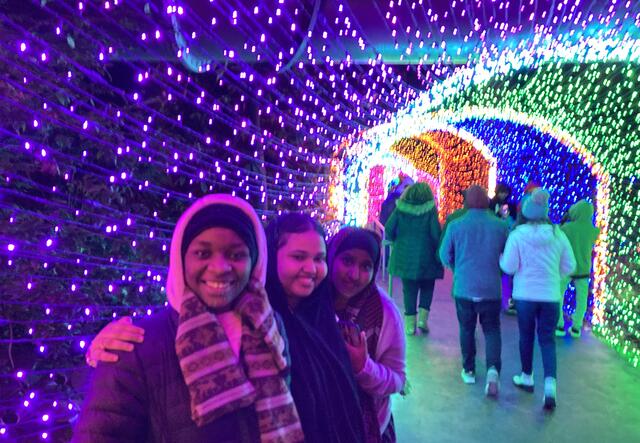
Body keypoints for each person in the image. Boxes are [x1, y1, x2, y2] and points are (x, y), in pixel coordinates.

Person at [74, 194, 303, 442]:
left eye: (236, 255)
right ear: (181, 259)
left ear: (255, 262)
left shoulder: (268, 326)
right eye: (203, 254)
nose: (220, 267)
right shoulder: (135, 344)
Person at [264, 213, 366, 443]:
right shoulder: (261, 327)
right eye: (298, 257)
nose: (311, 269)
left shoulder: (323, 319)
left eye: (319, 259)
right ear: (271, 258)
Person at [500, 188, 576, 410]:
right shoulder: (558, 234)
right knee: (547, 340)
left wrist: (502, 258)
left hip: (525, 295)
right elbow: (570, 265)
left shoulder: (517, 235)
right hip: (550, 296)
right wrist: (553, 276)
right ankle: (550, 386)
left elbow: (509, 267)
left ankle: (527, 377)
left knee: (526, 336)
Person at [328, 227, 406, 442]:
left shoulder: (384, 313)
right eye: (347, 261)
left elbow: (398, 379)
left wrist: (363, 367)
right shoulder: (312, 302)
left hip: (369, 429)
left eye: (366, 266)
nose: (354, 275)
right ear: (331, 257)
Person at [439, 186, 509, 396]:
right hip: (491, 288)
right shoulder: (500, 226)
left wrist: (456, 267)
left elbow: (444, 255)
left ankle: (468, 370)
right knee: (492, 330)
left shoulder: (455, 226)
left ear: (466, 202)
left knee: (467, 328)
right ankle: (493, 371)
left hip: (464, 287)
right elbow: (507, 257)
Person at [385, 182, 443, 335]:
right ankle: (423, 320)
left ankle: (410, 326)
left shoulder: (400, 209)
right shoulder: (430, 210)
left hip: (405, 255)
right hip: (427, 256)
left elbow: (389, 228)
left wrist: (398, 239)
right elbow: (435, 233)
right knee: (427, 287)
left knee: (409, 289)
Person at [555, 200, 600, 338]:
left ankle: (559, 324)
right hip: (584, 270)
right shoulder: (594, 231)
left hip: (567, 268)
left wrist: (564, 219)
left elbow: (556, 233)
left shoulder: (567, 228)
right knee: (581, 300)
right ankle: (576, 327)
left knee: (558, 295)